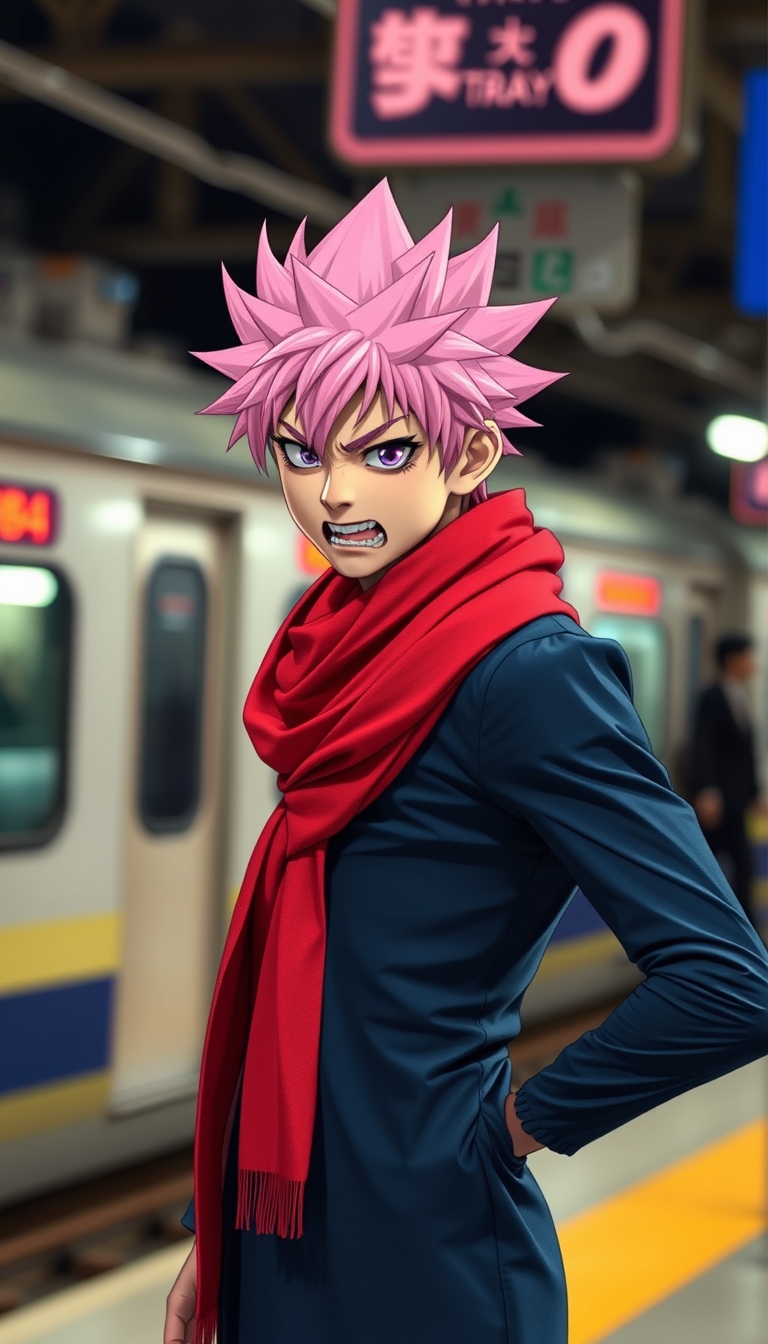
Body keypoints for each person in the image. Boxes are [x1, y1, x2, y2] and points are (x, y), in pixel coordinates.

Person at [164, 181, 768, 1344]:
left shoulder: (525, 672)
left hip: (429, 1248)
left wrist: (507, 1129)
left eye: (380, 449)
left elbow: (727, 982)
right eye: (298, 448)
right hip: (283, 1230)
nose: (332, 489)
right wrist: (217, 1226)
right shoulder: (334, 648)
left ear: (470, 450)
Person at [693, 633, 762, 926]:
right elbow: (704, 745)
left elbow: (746, 754)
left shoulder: (740, 697)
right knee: (715, 870)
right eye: (748, 657)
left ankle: (744, 936)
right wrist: (707, 790)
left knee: (742, 869)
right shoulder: (713, 697)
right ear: (733, 660)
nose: (753, 665)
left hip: (736, 801)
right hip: (719, 803)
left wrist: (755, 792)